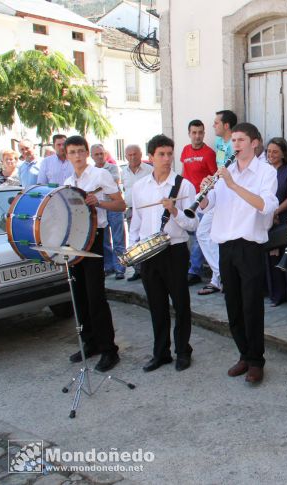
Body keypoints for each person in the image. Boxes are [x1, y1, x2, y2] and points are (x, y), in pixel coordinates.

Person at [199, 122, 278, 384]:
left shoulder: (265, 172)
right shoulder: (225, 172)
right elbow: (210, 206)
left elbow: (266, 206)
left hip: (250, 246)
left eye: (241, 140)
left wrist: (233, 185)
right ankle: (243, 354)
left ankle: (257, 361)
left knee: (252, 305)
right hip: (226, 246)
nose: (235, 145)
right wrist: (203, 195)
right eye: (233, 140)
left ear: (254, 143)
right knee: (232, 304)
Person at [129, 135, 198, 372]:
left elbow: (193, 224)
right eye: (161, 154)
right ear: (150, 158)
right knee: (156, 305)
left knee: (180, 303)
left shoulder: (183, 185)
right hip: (149, 252)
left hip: (174, 251)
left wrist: (175, 211)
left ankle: (183, 351)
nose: (167, 159)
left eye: (170, 154)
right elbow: (136, 222)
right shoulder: (139, 187)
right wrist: (133, 249)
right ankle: (161, 353)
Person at [64, 135, 126, 372]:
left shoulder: (101, 175)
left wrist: (98, 203)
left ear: (87, 152)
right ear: (67, 155)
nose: (78, 156)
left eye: (81, 151)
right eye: (72, 152)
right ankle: (90, 343)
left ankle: (109, 350)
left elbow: (121, 205)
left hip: (95, 237)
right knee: (79, 294)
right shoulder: (69, 180)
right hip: (75, 241)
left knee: (95, 296)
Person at [192, 109, 238, 294]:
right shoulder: (219, 142)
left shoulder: (235, 144)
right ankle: (218, 275)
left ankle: (220, 276)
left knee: (205, 233)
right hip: (217, 191)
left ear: (226, 125)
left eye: (216, 123)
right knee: (205, 234)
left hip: (228, 194)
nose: (213, 126)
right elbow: (219, 167)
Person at [180, 119, 217, 292]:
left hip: (202, 201)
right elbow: (183, 173)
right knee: (190, 234)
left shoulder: (209, 153)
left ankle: (194, 270)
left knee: (199, 235)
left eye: (200, 132)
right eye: (194, 132)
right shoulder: (185, 150)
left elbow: (214, 178)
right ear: (189, 133)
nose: (197, 136)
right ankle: (193, 267)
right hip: (187, 199)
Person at [265, 137, 287, 307]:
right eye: (269, 151)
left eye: (275, 151)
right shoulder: (264, 171)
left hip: (284, 217)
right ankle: (276, 295)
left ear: (284, 153)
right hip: (267, 218)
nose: (271, 154)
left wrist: (276, 211)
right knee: (271, 256)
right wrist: (269, 213)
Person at [91, 144, 126, 279]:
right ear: (92, 156)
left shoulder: (112, 167)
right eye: (97, 154)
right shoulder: (91, 171)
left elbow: (113, 181)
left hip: (114, 206)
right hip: (100, 208)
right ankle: (109, 266)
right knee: (104, 240)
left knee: (118, 239)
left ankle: (120, 268)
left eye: (101, 153)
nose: (100, 156)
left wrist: (98, 186)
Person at [121, 145, 153, 281]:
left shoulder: (149, 170)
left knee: (147, 240)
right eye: (129, 155)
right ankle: (138, 270)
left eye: (135, 154)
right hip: (131, 210)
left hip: (147, 210)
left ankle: (149, 268)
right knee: (134, 241)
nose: (132, 157)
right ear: (126, 156)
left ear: (141, 154)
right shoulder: (123, 172)